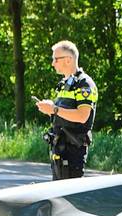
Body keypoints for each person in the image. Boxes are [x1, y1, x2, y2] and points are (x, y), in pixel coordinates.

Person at [36, 40, 98, 180]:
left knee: (71, 191)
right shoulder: (65, 84)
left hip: (73, 150)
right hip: (59, 148)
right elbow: (63, 113)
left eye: (56, 59)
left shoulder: (84, 84)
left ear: (68, 60)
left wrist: (54, 109)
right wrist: (50, 108)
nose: (53, 63)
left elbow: (82, 116)